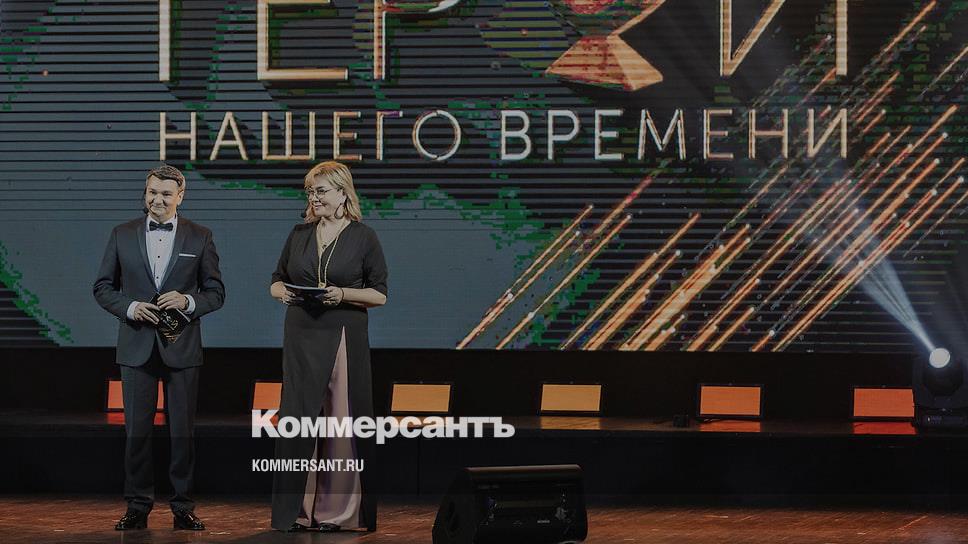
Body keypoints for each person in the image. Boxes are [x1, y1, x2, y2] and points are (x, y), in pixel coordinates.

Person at [93, 164, 225, 531]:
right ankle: (137, 505)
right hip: (136, 346)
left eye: (166, 194)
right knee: (136, 433)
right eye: (152, 192)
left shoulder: (200, 236)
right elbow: (103, 288)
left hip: (182, 347)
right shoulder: (122, 234)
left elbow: (216, 293)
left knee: (183, 432)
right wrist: (131, 307)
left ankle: (183, 506)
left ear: (180, 196)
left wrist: (187, 301)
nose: (157, 199)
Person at [268, 161, 388, 532]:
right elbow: (276, 280)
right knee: (298, 418)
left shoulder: (364, 236)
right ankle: (297, 512)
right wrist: (281, 293)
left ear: (342, 193)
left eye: (320, 191)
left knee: (340, 418)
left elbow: (379, 294)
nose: (314, 198)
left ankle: (338, 513)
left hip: (343, 333)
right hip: (300, 332)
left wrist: (343, 294)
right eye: (310, 191)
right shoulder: (299, 234)